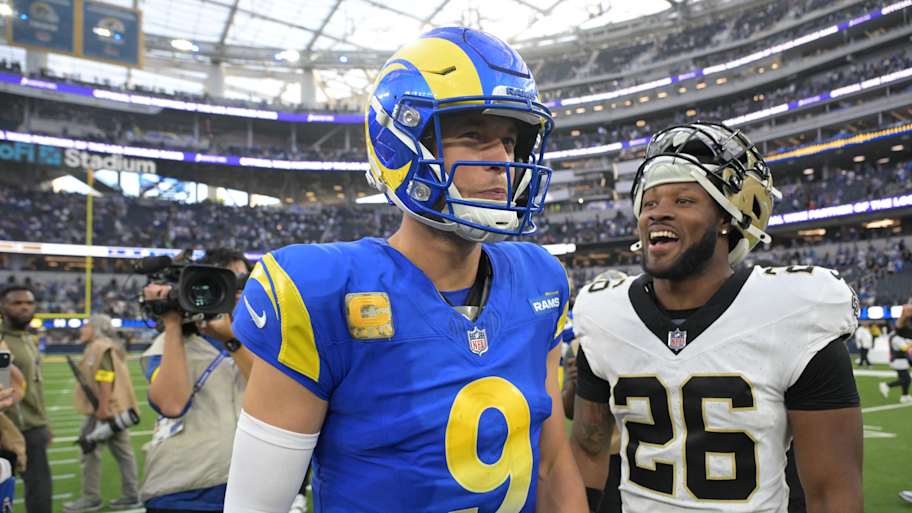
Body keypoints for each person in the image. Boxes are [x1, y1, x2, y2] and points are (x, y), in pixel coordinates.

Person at [225, 26, 587, 513]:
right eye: (473, 137)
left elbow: (551, 464)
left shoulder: (540, 279)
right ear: (401, 144)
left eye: (508, 141)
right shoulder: (318, 291)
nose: (502, 160)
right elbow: (256, 506)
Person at [570, 121, 863, 513]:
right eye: (650, 203)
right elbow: (588, 452)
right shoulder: (605, 313)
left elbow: (833, 492)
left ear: (728, 217)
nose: (659, 214)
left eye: (684, 201)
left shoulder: (794, 309)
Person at [140, 249, 254, 513]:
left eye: (243, 282)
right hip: (184, 490)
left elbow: (271, 397)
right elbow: (171, 403)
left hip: (246, 487)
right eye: (228, 282)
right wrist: (172, 323)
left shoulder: (256, 342)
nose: (238, 291)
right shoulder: (172, 344)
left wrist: (231, 339)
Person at [63, 314, 141, 513]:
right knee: (124, 454)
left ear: (95, 328)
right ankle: (132, 495)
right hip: (112, 408)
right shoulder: (104, 346)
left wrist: (103, 408)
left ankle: (91, 498)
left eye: (86, 326)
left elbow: (105, 377)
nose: (82, 330)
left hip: (104, 410)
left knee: (89, 451)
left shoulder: (100, 347)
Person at [0, 286, 52, 513]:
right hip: (6, 428)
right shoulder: (2, 340)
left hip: (33, 427)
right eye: (17, 303)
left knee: (40, 491)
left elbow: (35, 388)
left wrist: (44, 423)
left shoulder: (29, 338)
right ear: (3, 307)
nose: (24, 307)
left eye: (29, 303)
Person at [879, 328, 911, 403]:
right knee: (905, 379)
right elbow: (904, 348)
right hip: (899, 361)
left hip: (900, 360)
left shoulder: (895, 336)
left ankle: (905, 396)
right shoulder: (896, 337)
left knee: (906, 379)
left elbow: (905, 343)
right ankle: (887, 385)